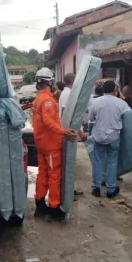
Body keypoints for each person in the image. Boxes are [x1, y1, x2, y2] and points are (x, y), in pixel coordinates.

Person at [32, 68, 86, 222]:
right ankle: (54, 208)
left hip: (42, 144)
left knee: (42, 175)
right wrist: (64, 132)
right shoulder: (47, 101)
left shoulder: (38, 100)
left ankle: (40, 205)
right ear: (49, 81)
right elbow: (48, 121)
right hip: (50, 146)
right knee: (54, 176)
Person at [89, 80, 131, 198]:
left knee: (97, 161)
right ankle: (111, 189)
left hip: (99, 136)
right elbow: (129, 117)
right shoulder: (121, 103)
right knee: (112, 162)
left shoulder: (96, 102)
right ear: (115, 91)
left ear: (103, 90)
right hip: (114, 137)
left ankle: (96, 187)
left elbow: (91, 118)